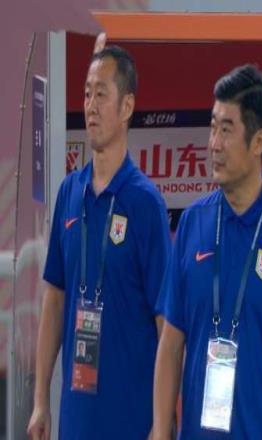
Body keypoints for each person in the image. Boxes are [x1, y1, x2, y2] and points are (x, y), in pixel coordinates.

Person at [152, 65, 262, 440]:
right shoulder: (193, 223)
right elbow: (170, 343)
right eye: (212, 128)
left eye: (226, 130)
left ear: (258, 142)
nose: (214, 144)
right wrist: (160, 429)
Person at [27, 45, 172, 439]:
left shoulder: (145, 203)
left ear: (127, 106)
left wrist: (162, 422)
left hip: (131, 420)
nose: (90, 105)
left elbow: (167, 324)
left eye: (101, 94)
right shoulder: (69, 192)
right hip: (76, 419)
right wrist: (40, 400)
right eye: (87, 93)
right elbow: (54, 300)